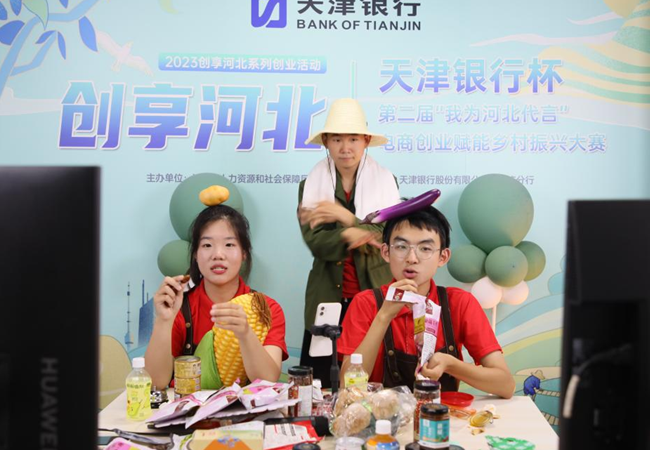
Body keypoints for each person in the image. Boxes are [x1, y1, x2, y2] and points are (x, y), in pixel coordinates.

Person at [337, 205, 515, 398]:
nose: (412, 258)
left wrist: (452, 365)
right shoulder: (366, 303)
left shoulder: (459, 303)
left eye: (425, 249)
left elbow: (506, 386)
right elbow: (347, 387)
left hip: (442, 415)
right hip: (384, 415)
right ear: (386, 252)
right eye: (402, 247)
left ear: (443, 257)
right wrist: (384, 316)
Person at [297, 98, 400, 387]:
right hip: (326, 294)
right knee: (321, 381)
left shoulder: (386, 181)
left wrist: (344, 217)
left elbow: (389, 236)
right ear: (326, 142)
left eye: (353, 139)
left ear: (365, 141)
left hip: (373, 291)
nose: (346, 147)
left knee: (373, 378)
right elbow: (316, 242)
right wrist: (353, 233)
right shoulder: (311, 183)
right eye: (337, 139)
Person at [145, 204, 288, 389]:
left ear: (244, 253)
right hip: (189, 407)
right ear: (195, 254)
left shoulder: (266, 309)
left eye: (229, 245)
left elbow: (267, 381)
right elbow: (155, 383)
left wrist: (245, 334)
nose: (218, 255)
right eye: (207, 245)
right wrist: (163, 321)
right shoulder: (180, 307)